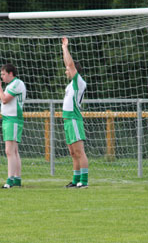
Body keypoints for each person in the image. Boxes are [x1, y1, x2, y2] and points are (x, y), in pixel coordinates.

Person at [61, 37, 89, 189]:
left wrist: (65, 48)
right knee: (72, 152)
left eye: (68, 69)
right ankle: (75, 179)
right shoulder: (70, 85)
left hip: (74, 119)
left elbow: (70, 64)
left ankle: (83, 181)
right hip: (67, 120)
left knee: (79, 151)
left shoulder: (79, 81)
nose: (66, 70)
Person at [0, 64, 27, 189]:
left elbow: (4, 99)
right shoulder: (11, 85)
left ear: (10, 73)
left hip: (13, 119)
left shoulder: (16, 84)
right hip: (9, 119)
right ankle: (17, 179)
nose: (1, 77)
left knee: (9, 151)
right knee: (13, 151)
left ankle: (10, 180)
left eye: (3, 74)